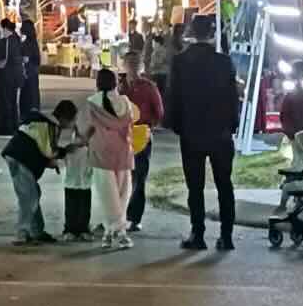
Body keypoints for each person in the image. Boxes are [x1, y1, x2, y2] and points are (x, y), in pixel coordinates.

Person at [165, 14, 240, 251]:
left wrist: (176, 125)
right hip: (220, 132)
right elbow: (232, 96)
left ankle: (198, 234)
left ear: (191, 32)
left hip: (192, 132)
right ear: (212, 34)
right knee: (224, 184)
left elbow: (173, 96)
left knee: (195, 187)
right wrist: (232, 125)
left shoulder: (180, 61)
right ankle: (226, 236)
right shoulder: (224, 62)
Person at [0, 99, 73, 245]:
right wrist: (64, 152)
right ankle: (22, 234)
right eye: (71, 120)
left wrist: (51, 159)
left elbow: (40, 147)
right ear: (64, 118)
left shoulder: (41, 120)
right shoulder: (49, 125)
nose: (71, 124)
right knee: (29, 198)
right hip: (21, 159)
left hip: (16, 156)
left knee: (33, 193)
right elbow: (49, 151)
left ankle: (37, 230)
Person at [82, 68, 136, 250]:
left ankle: (115, 232)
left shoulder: (91, 102)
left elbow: (85, 130)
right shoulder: (125, 102)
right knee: (122, 195)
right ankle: (114, 233)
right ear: (116, 83)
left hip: (101, 153)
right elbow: (131, 123)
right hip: (123, 153)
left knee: (107, 196)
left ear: (98, 83)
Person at [119, 49, 164, 233]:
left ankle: (134, 218)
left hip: (141, 135)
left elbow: (159, 112)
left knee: (138, 178)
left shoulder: (149, 87)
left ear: (141, 66)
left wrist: (147, 126)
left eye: (136, 63)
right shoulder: (119, 86)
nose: (132, 67)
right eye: (130, 63)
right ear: (124, 65)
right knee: (120, 178)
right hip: (120, 136)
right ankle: (117, 216)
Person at [58, 109, 93, 241]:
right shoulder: (68, 143)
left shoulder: (88, 145)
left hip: (84, 180)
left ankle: (83, 229)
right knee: (72, 205)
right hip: (72, 180)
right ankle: (70, 229)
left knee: (83, 205)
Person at [0, 18, 24, 137]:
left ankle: (5, 130)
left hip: (5, 76)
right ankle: (14, 127)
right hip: (16, 77)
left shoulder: (4, 42)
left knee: (4, 103)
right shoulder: (17, 40)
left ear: (5, 29)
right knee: (13, 103)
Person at [19, 23, 43, 124]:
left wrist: (25, 60)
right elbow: (37, 59)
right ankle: (32, 115)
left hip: (28, 72)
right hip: (32, 72)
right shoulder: (33, 42)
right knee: (32, 95)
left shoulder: (28, 42)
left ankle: (27, 117)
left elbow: (28, 58)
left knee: (27, 95)